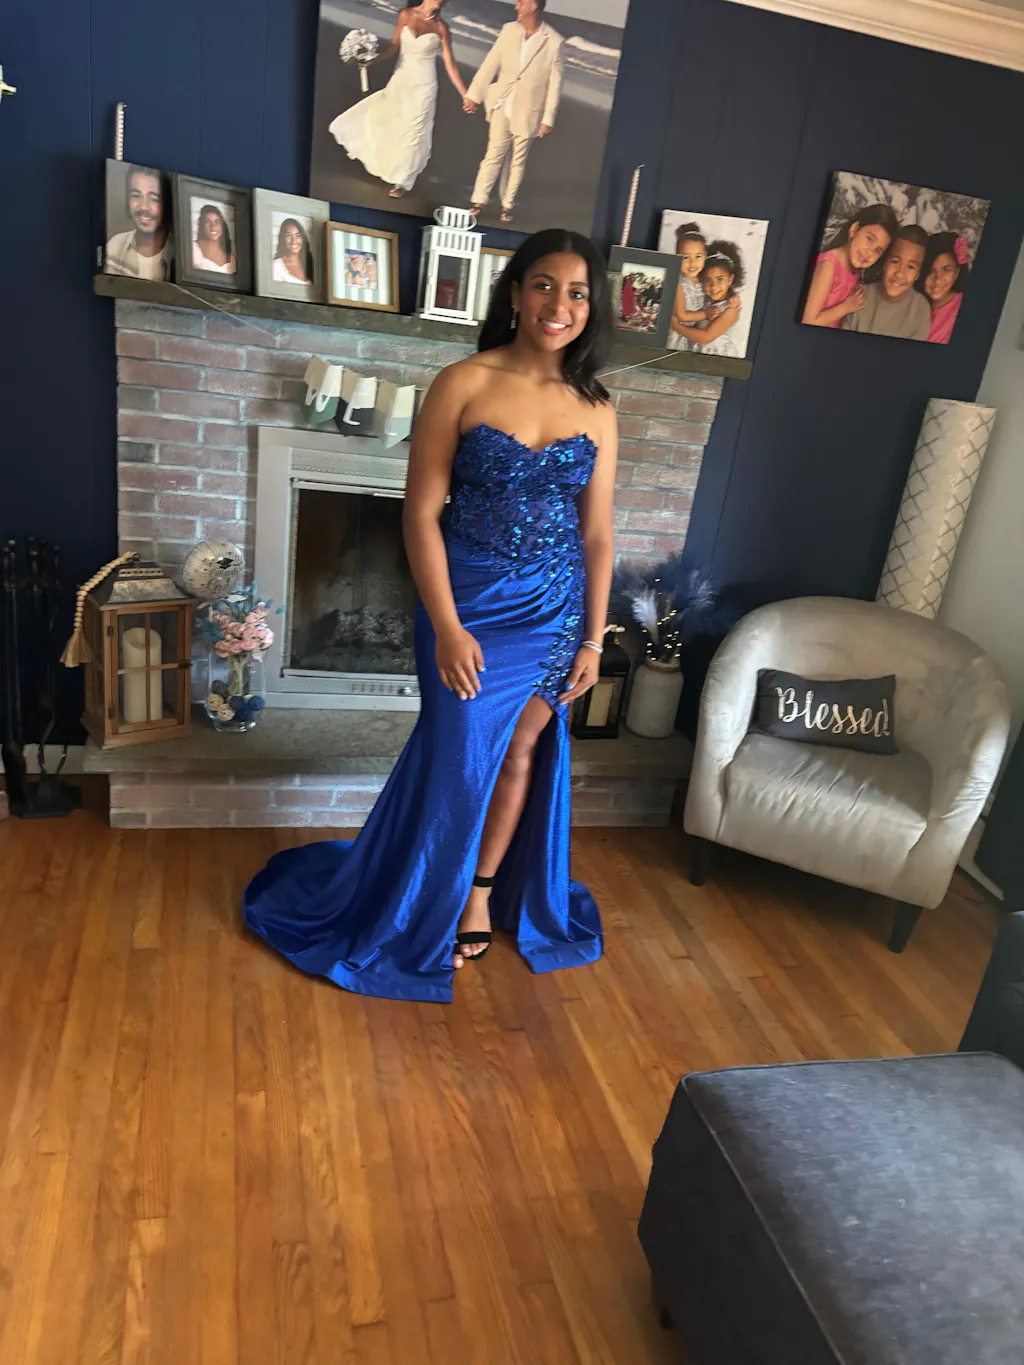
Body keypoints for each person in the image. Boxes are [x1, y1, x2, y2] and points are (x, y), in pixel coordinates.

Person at [244, 229, 617, 1003]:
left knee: (520, 753)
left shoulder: (597, 406)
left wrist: (592, 639)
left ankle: (478, 891)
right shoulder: (461, 381)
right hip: (466, 605)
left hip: (553, 611)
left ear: (592, 307)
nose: (560, 305)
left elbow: (597, 535)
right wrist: (447, 626)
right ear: (515, 292)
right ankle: (415, 903)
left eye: (578, 292)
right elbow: (419, 515)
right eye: (544, 284)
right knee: (456, 758)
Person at [329, 2, 467, 199]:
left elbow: (450, 65)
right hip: (401, 80)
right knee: (390, 121)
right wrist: (371, 59)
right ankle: (386, 162)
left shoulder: (441, 27)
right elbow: (393, 46)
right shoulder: (406, 15)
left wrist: (465, 95)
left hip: (425, 85)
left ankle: (403, 180)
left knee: (415, 130)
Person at [465, 0, 564, 225]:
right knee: (493, 154)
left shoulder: (554, 41)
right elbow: (490, 63)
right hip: (502, 103)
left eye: (521, 2)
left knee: (517, 161)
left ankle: (507, 205)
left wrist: (548, 119)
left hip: (529, 110)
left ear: (533, 6)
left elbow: (555, 85)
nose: (516, 6)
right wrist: (474, 95)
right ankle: (478, 201)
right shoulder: (509, 30)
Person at [803, 204, 898, 328]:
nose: (869, 252)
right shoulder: (828, 267)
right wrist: (846, 307)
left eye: (877, 251)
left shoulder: (855, 271)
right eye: (869, 239)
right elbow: (808, 321)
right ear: (854, 229)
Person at [843, 225, 932, 341]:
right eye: (895, 262)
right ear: (885, 263)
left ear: (917, 275)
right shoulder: (860, 295)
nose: (899, 274)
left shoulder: (920, 309)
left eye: (910, 267)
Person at [672, 240, 745, 356]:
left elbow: (706, 338)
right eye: (707, 280)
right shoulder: (706, 302)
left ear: (730, 279)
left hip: (715, 358)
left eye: (719, 279)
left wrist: (677, 327)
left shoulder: (730, 310)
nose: (713, 286)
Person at [105, 166, 174, 280]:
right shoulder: (115, 247)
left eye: (154, 198)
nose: (144, 207)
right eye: (136, 196)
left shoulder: (180, 254)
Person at [918, 230, 970, 345]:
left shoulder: (966, 308)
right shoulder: (913, 305)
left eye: (946, 270)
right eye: (931, 271)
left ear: (957, 272)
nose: (937, 279)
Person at [668, 223, 709, 352]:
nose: (692, 263)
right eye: (686, 257)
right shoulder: (678, 283)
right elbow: (681, 316)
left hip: (696, 334)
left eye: (698, 256)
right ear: (677, 257)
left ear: (705, 256)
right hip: (678, 335)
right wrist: (706, 314)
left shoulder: (705, 280)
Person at [192, 204, 235, 274]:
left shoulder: (232, 257)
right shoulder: (193, 248)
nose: (213, 226)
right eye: (208, 222)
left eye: (217, 222)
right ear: (202, 225)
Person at [271, 217, 313, 284]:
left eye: (297, 235)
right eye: (289, 235)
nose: (294, 240)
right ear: (282, 239)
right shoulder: (275, 267)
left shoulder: (310, 264)